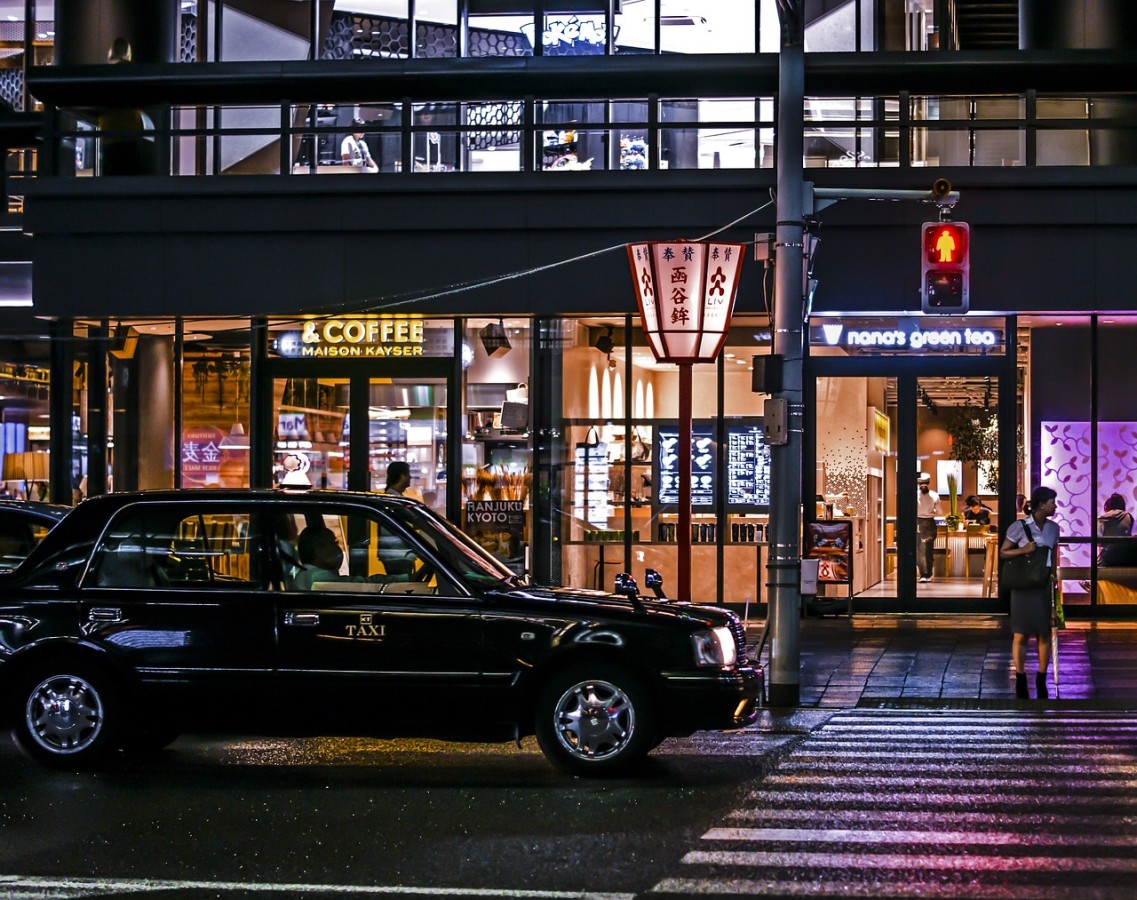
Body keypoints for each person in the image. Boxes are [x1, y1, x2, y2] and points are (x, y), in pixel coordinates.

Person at [1000, 485, 1060, 700]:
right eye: (1052, 501)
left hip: (1043, 584)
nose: (1055, 505)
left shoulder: (1054, 528)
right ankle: (1021, 675)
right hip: (1023, 586)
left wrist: (1054, 577)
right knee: (1021, 633)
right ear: (1041, 504)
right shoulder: (1019, 526)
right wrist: (1023, 550)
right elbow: (1004, 552)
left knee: (1044, 632)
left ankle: (1042, 677)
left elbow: (1054, 555)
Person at [292, 524, 410, 590]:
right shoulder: (319, 577)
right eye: (334, 543)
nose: (338, 549)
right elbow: (361, 585)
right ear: (319, 551)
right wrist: (404, 579)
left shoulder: (303, 574)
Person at [916, 473, 941, 583]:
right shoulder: (934, 495)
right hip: (930, 523)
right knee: (929, 549)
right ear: (929, 482)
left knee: (920, 550)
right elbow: (940, 512)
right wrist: (932, 511)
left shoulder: (915, 495)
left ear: (918, 483)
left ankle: (924, 574)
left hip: (918, 523)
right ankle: (928, 573)